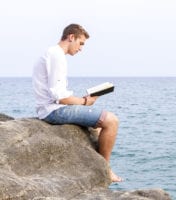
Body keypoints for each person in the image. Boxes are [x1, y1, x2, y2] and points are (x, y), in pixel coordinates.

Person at [32, 23, 122, 182]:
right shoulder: (56, 55)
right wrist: (84, 101)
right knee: (111, 121)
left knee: (99, 126)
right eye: (81, 43)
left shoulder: (53, 53)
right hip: (53, 111)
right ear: (71, 37)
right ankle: (105, 170)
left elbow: (58, 93)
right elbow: (60, 96)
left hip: (52, 107)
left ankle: (97, 165)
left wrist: (83, 101)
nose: (81, 48)